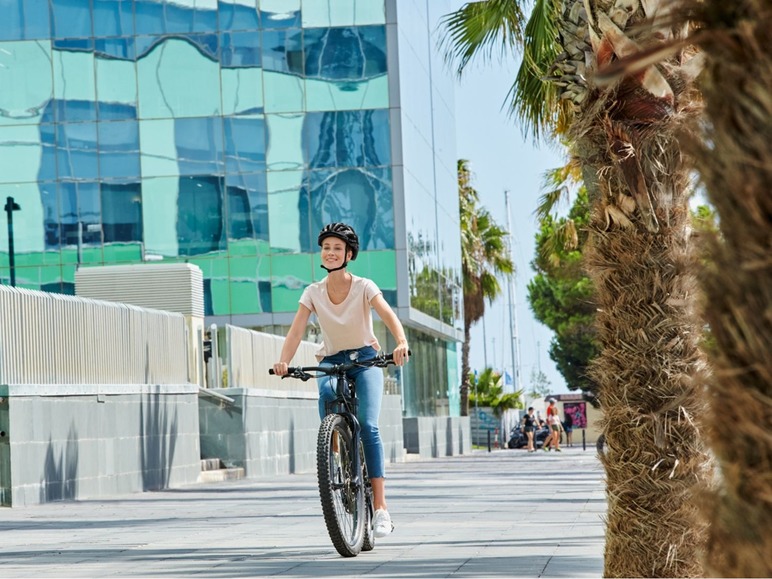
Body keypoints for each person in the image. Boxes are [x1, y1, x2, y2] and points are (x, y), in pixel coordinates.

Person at [273, 222, 410, 539]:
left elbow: (388, 315)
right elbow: (296, 331)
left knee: (368, 424)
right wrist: (284, 361)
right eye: (326, 248)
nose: (330, 253)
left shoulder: (364, 286)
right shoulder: (313, 292)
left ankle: (380, 508)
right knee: (327, 404)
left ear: (349, 254)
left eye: (337, 248)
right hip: (332, 359)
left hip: (365, 358)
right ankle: (339, 458)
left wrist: (400, 343)